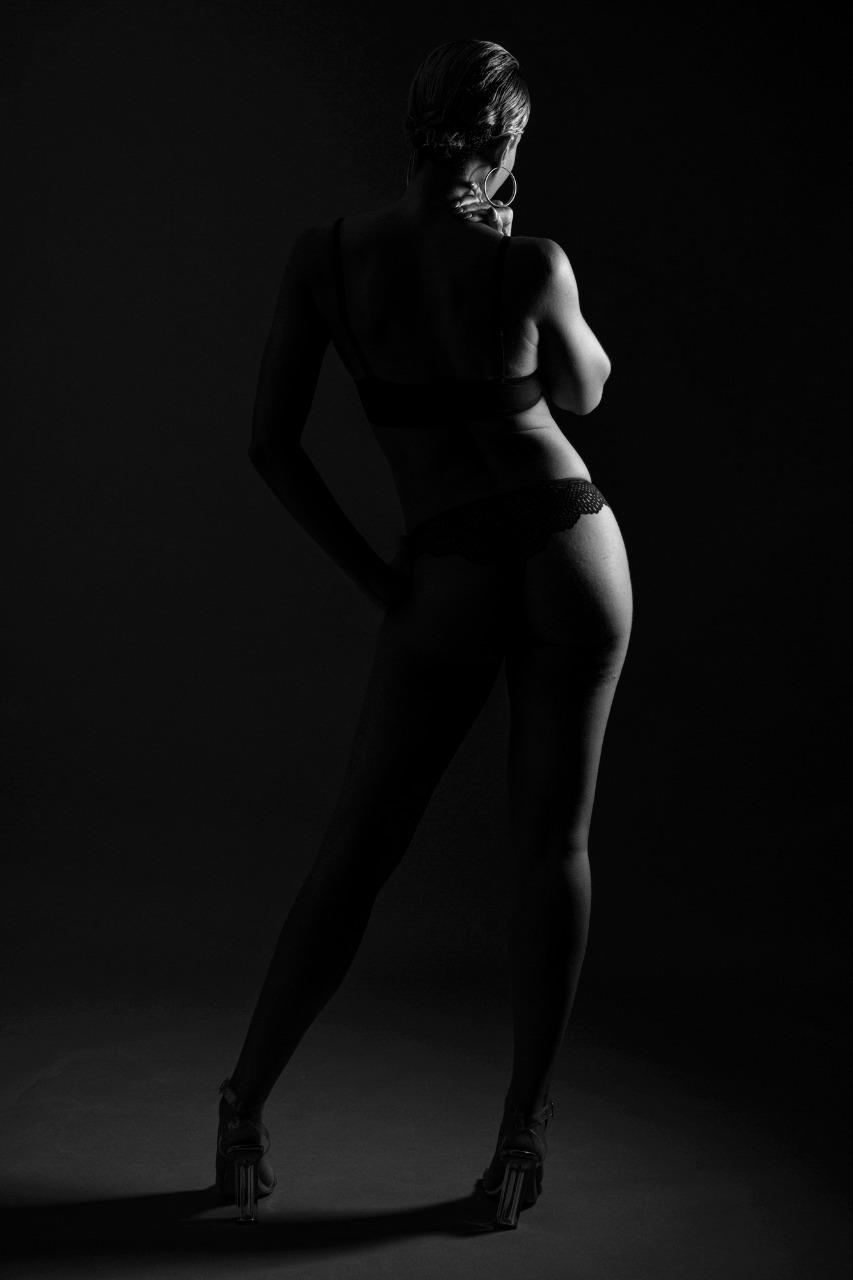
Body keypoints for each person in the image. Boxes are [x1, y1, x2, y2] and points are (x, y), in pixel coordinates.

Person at [215, 37, 633, 1229]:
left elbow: (269, 445)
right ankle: (520, 1137)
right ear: (502, 142)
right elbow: (587, 388)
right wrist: (513, 249)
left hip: (444, 562)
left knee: (361, 842)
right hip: (568, 544)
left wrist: (371, 575)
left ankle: (243, 1106)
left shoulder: (329, 258)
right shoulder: (530, 263)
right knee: (551, 843)